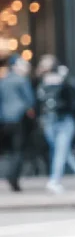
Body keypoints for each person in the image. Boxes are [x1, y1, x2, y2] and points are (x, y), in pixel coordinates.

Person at [35, 54, 75, 194]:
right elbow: (37, 100)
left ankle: (55, 180)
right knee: (61, 150)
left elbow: (73, 97)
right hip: (49, 120)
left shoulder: (65, 80)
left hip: (64, 120)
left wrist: (64, 78)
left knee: (60, 150)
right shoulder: (40, 81)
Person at [0, 54, 35, 192]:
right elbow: (30, 100)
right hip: (19, 119)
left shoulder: (4, 80)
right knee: (18, 150)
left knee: (8, 150)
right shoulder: (21, 80)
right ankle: (13, 177)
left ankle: (10, 175)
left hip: (5, 120)